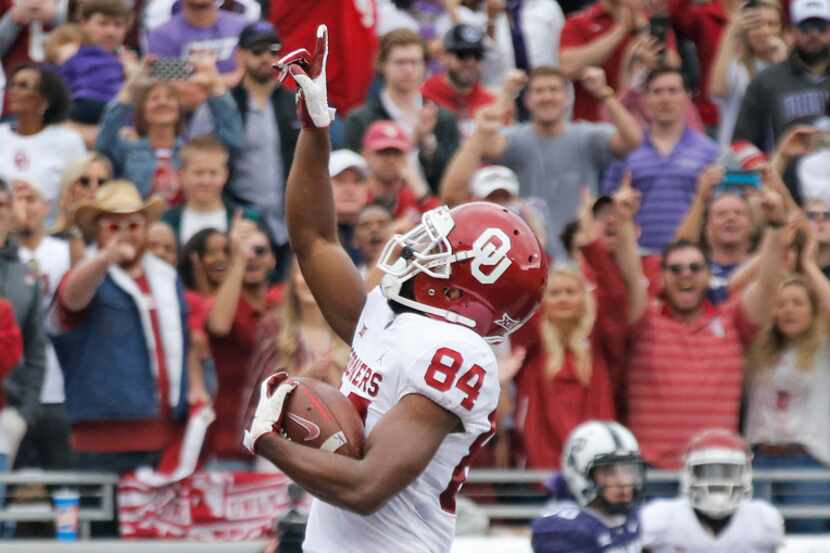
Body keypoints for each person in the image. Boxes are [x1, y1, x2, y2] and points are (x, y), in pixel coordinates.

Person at [243, 25, 548, 552]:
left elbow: (367, 488)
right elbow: (314, 240)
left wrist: (270, 441)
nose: (419, 247)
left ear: (461, 289)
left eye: (440, 247)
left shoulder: (457, 353)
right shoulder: (396, 318)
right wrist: (316, 126)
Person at [613, 169, 790, 470]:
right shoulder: (645, 320)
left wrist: (775, 226)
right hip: (653, 471)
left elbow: (768, 284)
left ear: (709, 276)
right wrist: (624, 221)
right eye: (676, 269)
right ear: (662, 277)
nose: (686, 275)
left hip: (717, 470)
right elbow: (631, 275)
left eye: (695, 268)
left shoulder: (732, 319)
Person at [49, 180, 189, 474]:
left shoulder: (166, 276)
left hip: (161, 437)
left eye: (134, 226)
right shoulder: (88, 273)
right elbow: (70, 300)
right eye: (114, 227)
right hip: (99, 442)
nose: (126, 235)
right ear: (98, 231)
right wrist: (106, 258)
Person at [442, 65, 641, 260]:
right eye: (539, 91)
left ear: (566, 98)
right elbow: (481, 143)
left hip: (581, 251)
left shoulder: (586, 136)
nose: (547, 97)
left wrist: (604, 93)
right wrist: (504, 96)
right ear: (527, 100)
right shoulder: (516, 139)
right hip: (532, 253)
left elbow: (633, 139)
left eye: (554, 90)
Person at [189, 21, 299, 280]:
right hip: (238, 215)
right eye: (257, 51)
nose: (266, 58)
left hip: (289, 217)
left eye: (274, 51)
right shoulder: (220, 103)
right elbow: (197, 152)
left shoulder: (295, 100)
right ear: (240, 55)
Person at [743, 248, 830, 532]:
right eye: (781, 304)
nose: (788, 309)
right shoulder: (756, 349)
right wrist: (771, 248)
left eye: (797, 303)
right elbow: (734, 291)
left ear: (813, 310)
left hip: (808, 463)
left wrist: (806, 262)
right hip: (758, 461)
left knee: (809, 544)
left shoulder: (824, 350)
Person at [603, 67, 719, 253]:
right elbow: (606, 206)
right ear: (645, 98)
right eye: (657, 92)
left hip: (689, 261)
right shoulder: (627, 149)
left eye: (673, 91)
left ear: (687, 96)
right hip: (638, 256)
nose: (665, 98)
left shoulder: (709, 151)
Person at [96, 57, 242, 203]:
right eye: (154, 98)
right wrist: (131, 90)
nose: (162, 102)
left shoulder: (193, 153)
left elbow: (232, 140)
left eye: (170, 98)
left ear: (179, 109)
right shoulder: (128, 151)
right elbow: (104, 143)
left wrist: (214, 87)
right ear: (142, 110)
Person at [343, 28, 461, 193]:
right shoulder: (360, 119)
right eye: (400, 62)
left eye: (415, 62)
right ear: (382, 65)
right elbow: (355, 175)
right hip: (381, 210)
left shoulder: (443, 117)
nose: (408, 70)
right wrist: (411, 142)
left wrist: (428, 142)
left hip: (433, 207)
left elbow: (450, 179)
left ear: (424, 66)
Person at [205, 219, 282, 468]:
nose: (252, 257)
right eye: (243, 251)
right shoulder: (225, 304)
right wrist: (237, 260)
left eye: (260, 251)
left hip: (279, 441)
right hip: (230, 438)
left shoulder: (283, 304)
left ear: (273, 259)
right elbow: (218, 325)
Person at [10, 181, 72, 471]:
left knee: (65, 486)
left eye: (32, 199)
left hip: (60, 386)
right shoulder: (5, 260)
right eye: (17, 200)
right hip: (12, 393)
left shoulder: (65, 251)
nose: (25, 208)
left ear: (47, 206)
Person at [641, 429, 785, 552]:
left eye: (727, 473)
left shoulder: (763, 519)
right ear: (688, 475)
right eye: (707, 472)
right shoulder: (661, 517)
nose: (717, 481)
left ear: (745, 475)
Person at [531, 421, 645, 553]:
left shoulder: (631, 515)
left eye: (629, 470)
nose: (622, 481)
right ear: (581, 474)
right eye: (609, 472)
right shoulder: (567, 529)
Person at [559, 0, 680, 122]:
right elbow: (567, 67)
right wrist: (620, 30)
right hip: (595, 126)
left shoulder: (650, 21)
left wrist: (644, 29)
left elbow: (673, 67)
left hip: (646, 127)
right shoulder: (580, 22)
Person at [733, 0, 830, 151]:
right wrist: (767, 168)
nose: (813, 34)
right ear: (791, 32)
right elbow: (741, 144)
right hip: (783, 172)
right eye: (805, 28)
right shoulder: (766, 81)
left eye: (821, 27)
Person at [0, 64, 86, 224]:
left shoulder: (68, 141)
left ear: (44, 100)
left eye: (23, 86)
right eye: (12, 85)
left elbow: (79, 195)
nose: (13, 91)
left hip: (50, 233)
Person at [0, 179, 45, 473]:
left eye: (2, 204)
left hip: (6, 412)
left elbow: (36, 350)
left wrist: (23, 414)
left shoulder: (26, 273)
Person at [709, 0, 787, 148]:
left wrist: (784, 61)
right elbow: (717, 90)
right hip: (738, 159)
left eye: (772, 24)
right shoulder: (736, 66)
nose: (765, 31)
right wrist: (731, 31)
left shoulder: (788, 65)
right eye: (756, 25)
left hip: (778, 158)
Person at [59, 0, 132, 127]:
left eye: (118, 25)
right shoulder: (68, 56)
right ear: (83, 24)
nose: (111, 32)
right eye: (103, 24)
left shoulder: (131, 62)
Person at [421, 23, 494, 136]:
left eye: (477, 55)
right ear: (443, 56)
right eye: (462, 55)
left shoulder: (490, 103)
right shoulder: (424, 96)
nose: (471, 62)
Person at [145, 0, 248, 77]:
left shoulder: (243, 27)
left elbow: (255, 64)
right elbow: (161, 76)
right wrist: (228, 79)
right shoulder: (161, 35)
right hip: (185, 101)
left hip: (240, 98)